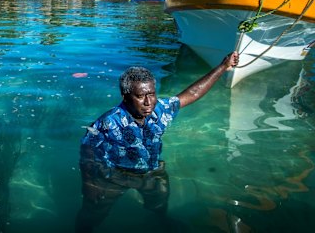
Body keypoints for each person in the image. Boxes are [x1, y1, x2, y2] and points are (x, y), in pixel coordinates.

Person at [75, 52, 240, 232]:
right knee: (94, 212)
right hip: (115, 176)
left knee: (159, 203)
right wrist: (89, 186)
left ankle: (161, 220)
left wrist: (223, 66)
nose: (148, 102)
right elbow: (87, 154)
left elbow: (192, 93)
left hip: (151, 171)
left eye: (151, 94)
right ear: (125, 96)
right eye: (140, 96)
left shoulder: (160, 109)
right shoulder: (107, 124)